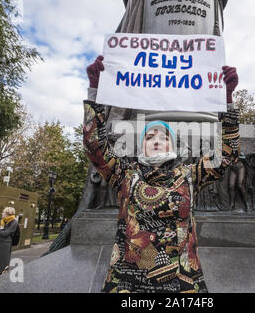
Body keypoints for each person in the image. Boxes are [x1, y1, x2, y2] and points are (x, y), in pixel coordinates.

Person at [84, 56, 239, 293]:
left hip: (182, 283)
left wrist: (227, 102)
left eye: (164, 136)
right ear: (141, 147)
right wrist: (95, 91)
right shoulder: (124, 174)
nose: (157, 140)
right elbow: (94, 147)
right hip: (128, 283)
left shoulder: (189, 175)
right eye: (149, 137)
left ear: (173, 145)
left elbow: (226, 156)